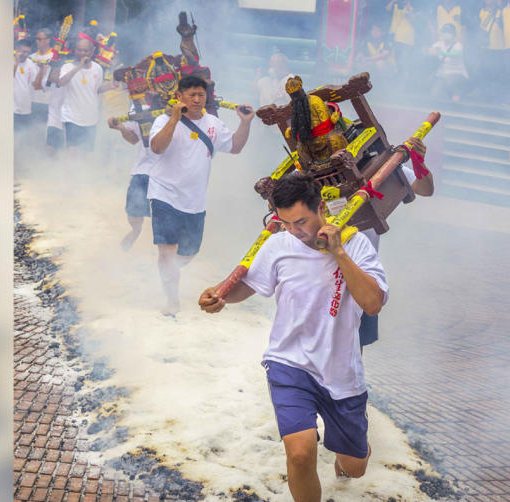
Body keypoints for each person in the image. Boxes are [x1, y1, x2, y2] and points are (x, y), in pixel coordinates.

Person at [198, 172, 388, 501]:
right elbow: (251, 284)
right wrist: (222, 296)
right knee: (299, 455)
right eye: (285, 223)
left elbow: (372, 304)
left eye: (300, 221)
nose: (294, 231)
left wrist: (339, 253)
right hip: (289, 362)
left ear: (322, 207)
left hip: (341, 372)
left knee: (355, 467)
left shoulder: (357, 244)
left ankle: (352, 454)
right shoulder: (278, 245)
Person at [147, 76, 255, 316]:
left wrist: (245, 123)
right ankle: (171, 300)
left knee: (188, 253)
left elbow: (235, 147)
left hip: (194, 200)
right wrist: (175, 118)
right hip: (163, 193)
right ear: (180, 96)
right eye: (191, 95)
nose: (196, 100)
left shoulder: (213, 123)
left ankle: (168, 271)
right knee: (167, 251)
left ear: (206, 97)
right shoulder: (163, 120)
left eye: (200, 95)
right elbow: (156, 148)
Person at [358, 136, 431, 353]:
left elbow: (425, 189)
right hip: (321, 266)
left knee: (355, 343)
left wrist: (419, 162)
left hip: (362, 269)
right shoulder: (308, 171)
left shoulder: (380, 166)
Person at [107, 105, 158, 250]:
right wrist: (122, 128)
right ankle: (136, 231)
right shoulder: (140, 106)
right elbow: (133, 139)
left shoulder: (180, 105)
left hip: (169, 174)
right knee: (133, 213)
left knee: (166, 216)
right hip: (143, 170)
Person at [59, 38, 114, 155]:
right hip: (72, 117)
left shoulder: (97, 68)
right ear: (75, 51)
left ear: (92, 52)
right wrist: (79, 67)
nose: (83, 53)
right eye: (79, 50)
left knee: (86, 154)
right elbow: (61, 82)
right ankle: (69, 173)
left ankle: (82, 173)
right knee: (72, 152)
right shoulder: (67, 67)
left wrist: (110, 86)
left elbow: (96, 89)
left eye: (86, 51)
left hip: (90, 118)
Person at [426, 23, 469, 102]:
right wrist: (428, 51)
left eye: (449, 32)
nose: (447, 34)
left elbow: (457, 53)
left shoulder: (458, 45)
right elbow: (430, 51)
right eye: (445, 31)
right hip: (442, 74)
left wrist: (442, 53)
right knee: (434, 94)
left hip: (457, 73)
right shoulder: (438, 44)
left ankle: (456, 95)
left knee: (450, 80)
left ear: (453, 34)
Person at [33, 60, 65, 156]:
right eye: (54, 72)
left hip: (68, 122)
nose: (55, 74)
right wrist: (42, 70)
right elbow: (37, 86)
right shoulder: (49, 83)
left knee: (63, 151)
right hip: (54, 122)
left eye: (58, 72)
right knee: (50, 149)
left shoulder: (68, 82)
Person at [29, 28, 55, 128]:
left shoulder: (55, 57)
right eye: (36, 39)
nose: (37, 41)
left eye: (40, 39)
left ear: (48, 40)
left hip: (47, 100)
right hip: (32, 99)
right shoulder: (31, 57)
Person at [386, 1, 416, 85]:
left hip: (406, 40)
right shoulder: (396, 6)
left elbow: (414, 19)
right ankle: (397, 82)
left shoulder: (410, 7)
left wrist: (409, 7)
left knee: (404, 62)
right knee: (396, 62)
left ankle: (405, 84)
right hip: (396, 38)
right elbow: (387, 9)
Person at [13, 38, 38, 135]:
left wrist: (42, 71)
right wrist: (17, 62)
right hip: (11, 108)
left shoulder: (31, 64)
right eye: (23, 52)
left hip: (26, 108)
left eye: (28, 52)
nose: (26, 54)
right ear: (17, 49)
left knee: (22, 137)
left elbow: (35, 84)